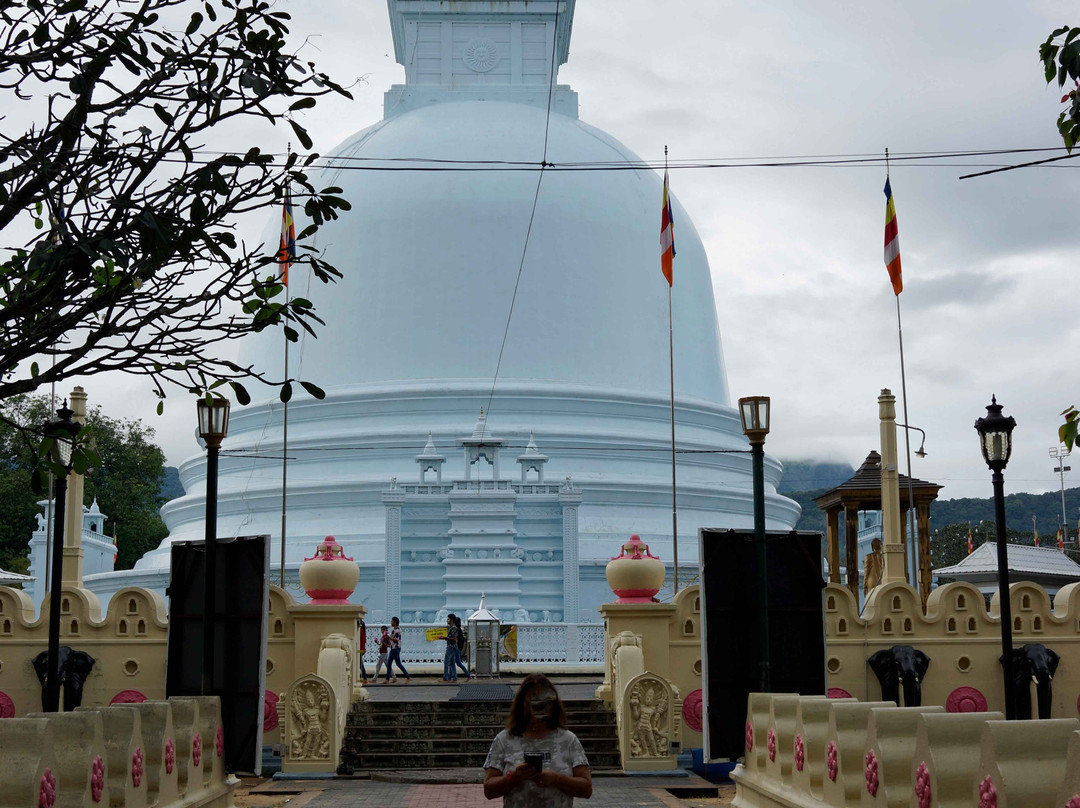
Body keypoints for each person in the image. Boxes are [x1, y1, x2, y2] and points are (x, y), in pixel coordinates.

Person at [483, 673, 592, 806]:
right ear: (522, 705)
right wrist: (513, 778)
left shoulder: (568, 740)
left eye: (544, 705)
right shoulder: (504, 740)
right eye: (533, 705)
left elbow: (586, 789)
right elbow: (488, 789)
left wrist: (557, 779)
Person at [387, 616, 411, 682]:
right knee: (389, 664)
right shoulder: (395, 630)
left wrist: (389, 637)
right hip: (393, 648)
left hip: (395, 648)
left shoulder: (396, 630)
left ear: (395, 622)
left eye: (392, 621)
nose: (391, 622)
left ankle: (408, 677)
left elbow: (396, 639)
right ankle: (387, 679)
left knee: (397, 664)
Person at [442, 613, 461, 682]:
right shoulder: (452, 627)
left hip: (451, 647)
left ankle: (445, 677)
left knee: (446, 662)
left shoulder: (453, 628)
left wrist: (445, 638)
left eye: (448, 619)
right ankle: (454, 678)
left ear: (452, 620)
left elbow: (454, 638)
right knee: (452, 663)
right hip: (453, 647)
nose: (447, 620)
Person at [453, 614, 471, 679]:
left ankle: (454, 677)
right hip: (458, 648)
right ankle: (468, 675)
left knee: (454, 663)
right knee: (458, 663)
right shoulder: (459, 629)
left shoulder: (456, 630)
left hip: (456, 648)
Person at [357, 617, 369, 683]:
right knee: (360, 664)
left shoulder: (360, 630)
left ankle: (364, 678)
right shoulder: (363, 630)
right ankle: (363, 678)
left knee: (360, 664)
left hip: (359, 649)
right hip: (362, 648)